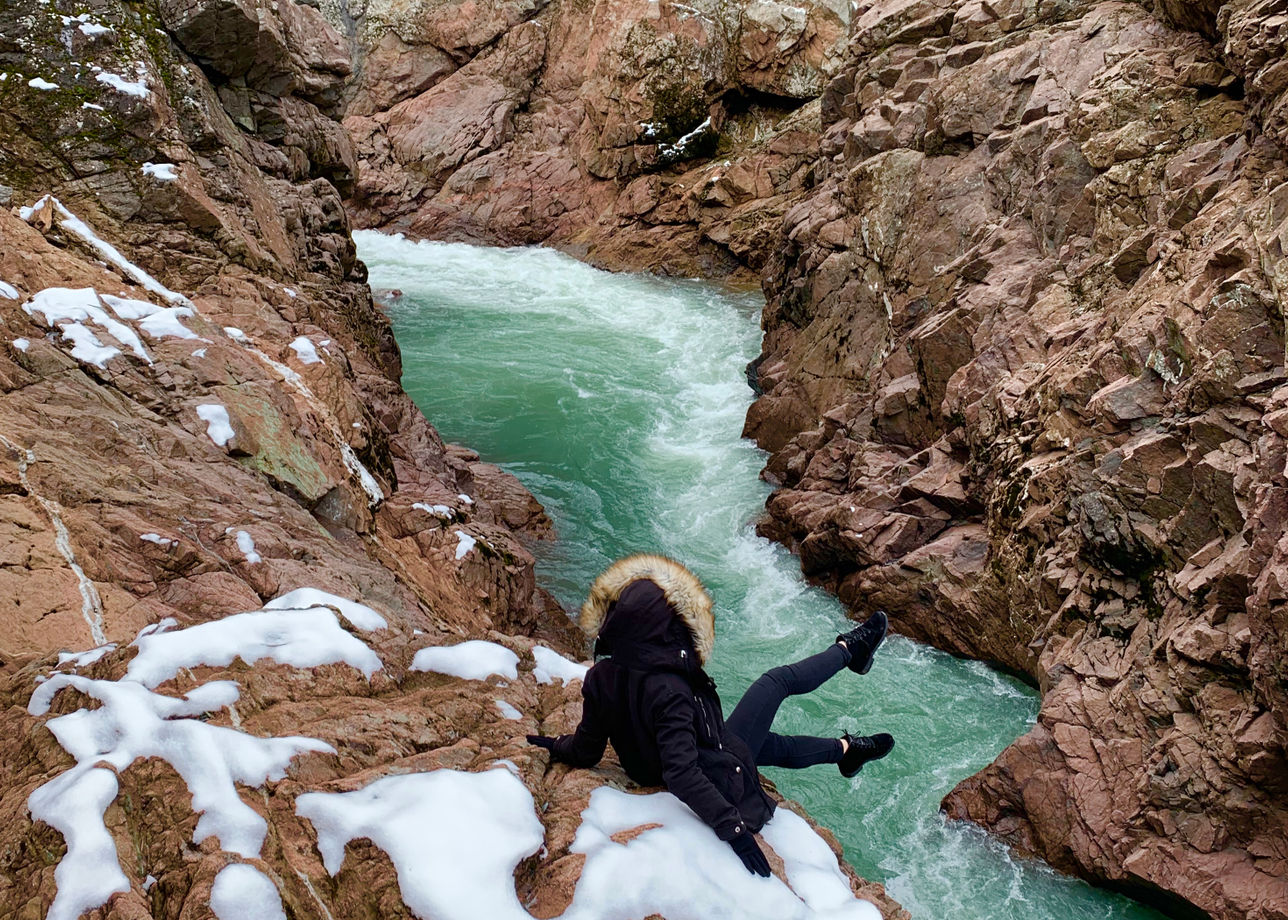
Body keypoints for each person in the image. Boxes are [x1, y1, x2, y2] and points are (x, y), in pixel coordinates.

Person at [526, 554, 894, 877]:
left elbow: (587, 748)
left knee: (762, 744)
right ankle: (851, 649)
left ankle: (847, 751)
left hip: (666, 755)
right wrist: (733, 829)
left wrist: (558, 746)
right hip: (704, 763)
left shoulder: (601, 676)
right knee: (776, 682)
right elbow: (681, 772)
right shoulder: (669, 688)